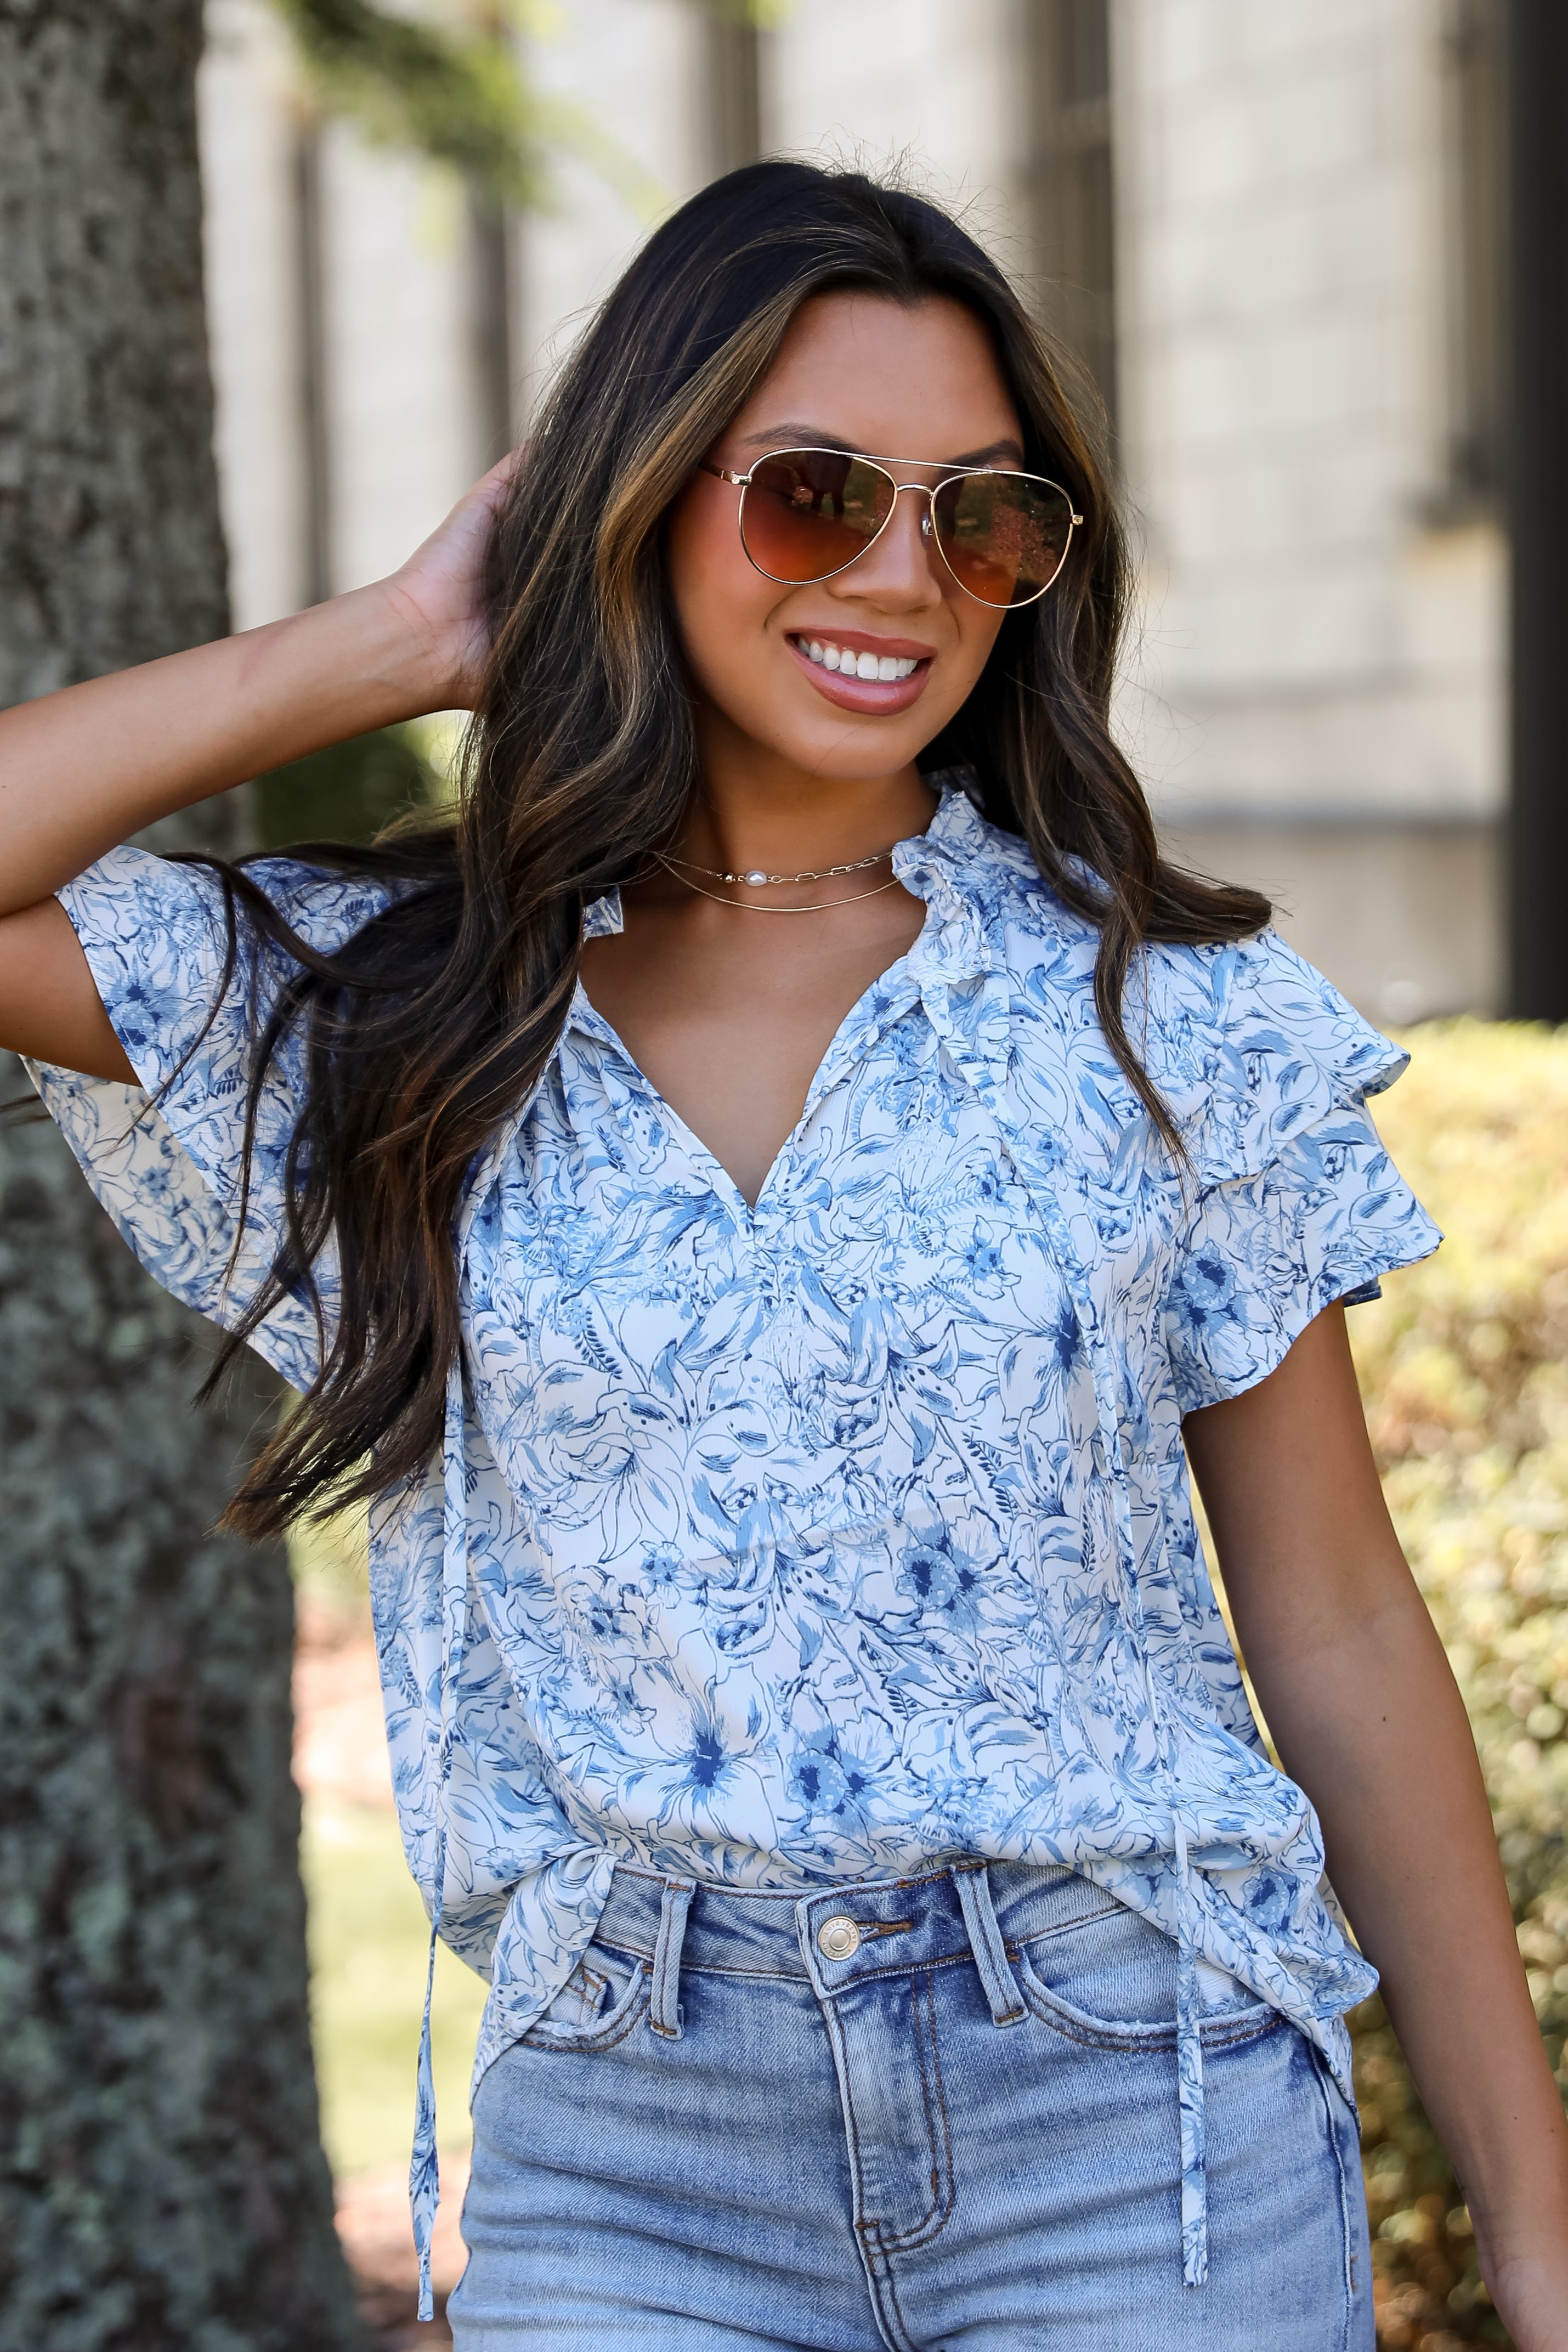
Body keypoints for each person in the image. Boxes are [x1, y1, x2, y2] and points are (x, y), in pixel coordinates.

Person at [1, 160, 1563, 2351]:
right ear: (640, 499)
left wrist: (1536, 2234)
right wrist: (398, 638)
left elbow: (1332, 1629)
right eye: (813, 494)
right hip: (630, 2153)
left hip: (1139, 2118)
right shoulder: (395, 1011)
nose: (902, 575)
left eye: (983, 516)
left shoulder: (1160, 1010)